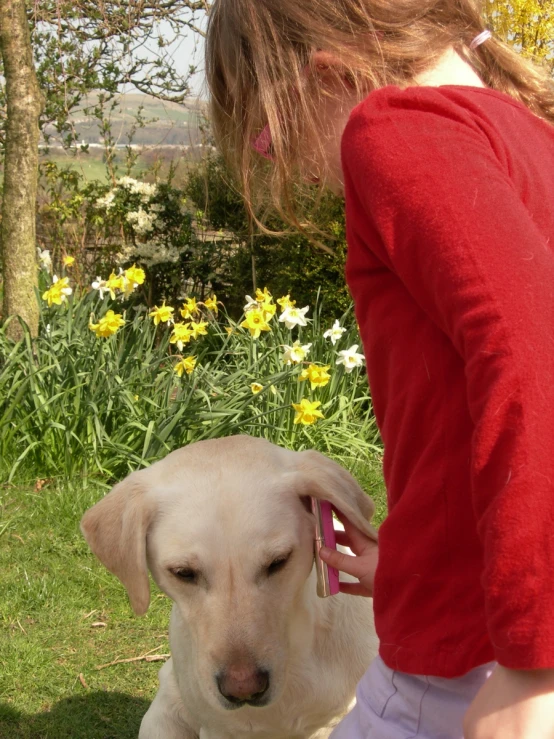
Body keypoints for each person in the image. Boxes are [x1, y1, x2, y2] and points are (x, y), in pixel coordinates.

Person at [204, 1, 554, 737]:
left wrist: (534, 662)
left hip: (473, 667)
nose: (283, 160)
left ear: (319, 71)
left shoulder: (394, 127)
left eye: (267, 134)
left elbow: (535, 355)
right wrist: (416, 563)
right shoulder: (529, 135)